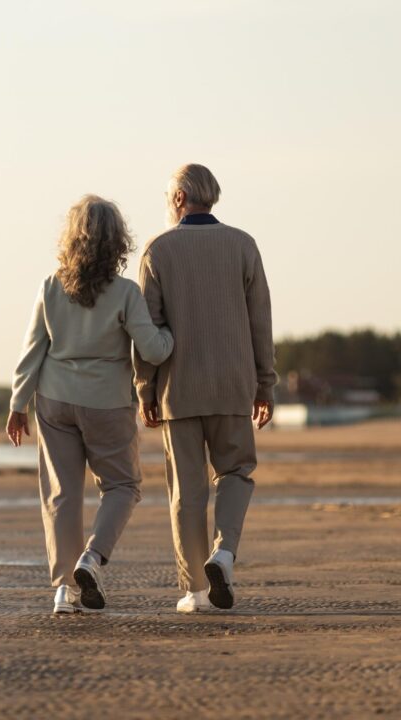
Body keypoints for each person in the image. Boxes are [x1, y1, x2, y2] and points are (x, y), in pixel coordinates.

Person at [7, 194, 174, 614]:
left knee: (61, 495)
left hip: (55, 399)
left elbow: (32, 351)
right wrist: (171, 334)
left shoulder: (50, 287)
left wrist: (17, 404)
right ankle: (92, 558)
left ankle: (63, 590)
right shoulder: (125, 293)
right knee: (122, 486)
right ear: (118, 241)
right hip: (107, 403)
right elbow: (153, 351)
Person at [134, 164, 277, 613]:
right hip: (234, 384)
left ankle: (196, 591)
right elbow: (261, 322)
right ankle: (225, 553)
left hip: (179, 390)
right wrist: (265, 383)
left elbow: (147, 330)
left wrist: (145, 391)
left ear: (178, 199)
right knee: (236, 473)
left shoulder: (158, 250)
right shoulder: (243, 245)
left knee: (187, 492)